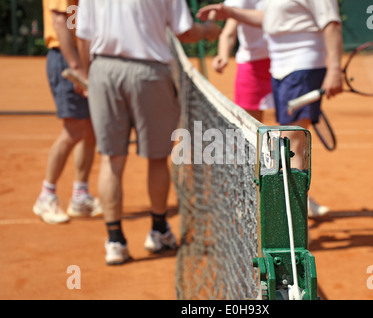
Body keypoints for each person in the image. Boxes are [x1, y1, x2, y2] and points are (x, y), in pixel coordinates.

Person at [76, 0, 222, 265]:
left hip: (103, 70)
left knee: (112, 159)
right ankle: (158, 231)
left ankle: (115, 241)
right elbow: (185, 32)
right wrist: (209, 31)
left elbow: (83, 37)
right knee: (157, 157)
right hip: (149, 72)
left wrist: (90, 77)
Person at [198, 0, 343, 217]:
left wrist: (334, 69)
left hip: (302, 66)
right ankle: (289, 209)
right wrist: (230, 11)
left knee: (291, 143)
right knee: (282, 142)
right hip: (280, 70)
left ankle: (294, 219)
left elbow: (331, 23)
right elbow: (268, 19)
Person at [33, 0, 102, 225]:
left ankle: (80, 196)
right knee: (74, 129)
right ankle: (47, 195)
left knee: (90, 127)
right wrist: (76, 67)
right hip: (67, 57)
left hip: (85, 56)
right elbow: (60, 21)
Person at [212, 0, 273, 122]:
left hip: (285, 63)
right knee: (250, 126)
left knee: (292, 122)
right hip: (252, 66)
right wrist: (222, 55)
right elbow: (228, 33)